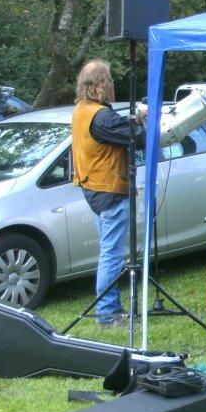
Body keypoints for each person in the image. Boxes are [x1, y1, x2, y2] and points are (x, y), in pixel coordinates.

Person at [71, 59, 145, 328]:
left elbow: (116, 129)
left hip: (94, 189)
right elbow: (137, 137)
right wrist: (147, 122)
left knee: (108, 251)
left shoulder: (82, 109)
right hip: (109, 190)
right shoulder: (101, 116)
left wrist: (135, 120)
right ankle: (108, 314)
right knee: (112, 254)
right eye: (111, 81)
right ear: (102, 85)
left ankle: (111, 310)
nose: (114, 86)